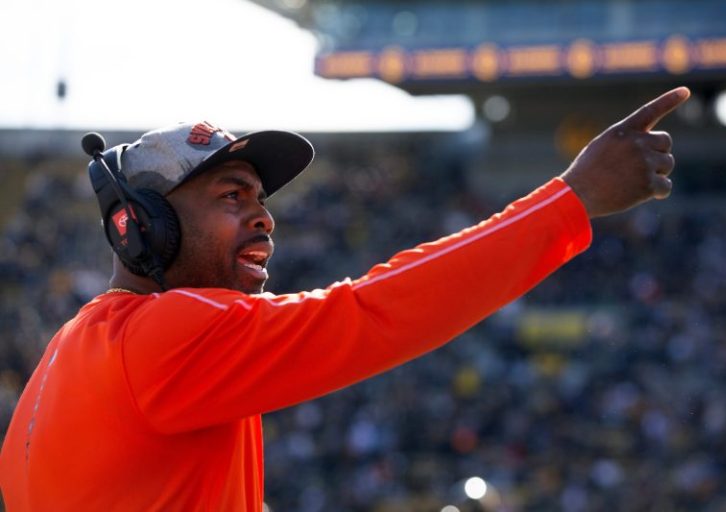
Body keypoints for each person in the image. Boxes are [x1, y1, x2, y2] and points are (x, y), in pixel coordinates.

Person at [0, 87, 690, 511]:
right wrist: (572, 200)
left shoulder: (75, 346)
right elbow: (374, 311)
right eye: (230, 196)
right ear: (138, 224)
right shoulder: (169, 334)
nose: (263, 217)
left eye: (262, 200)